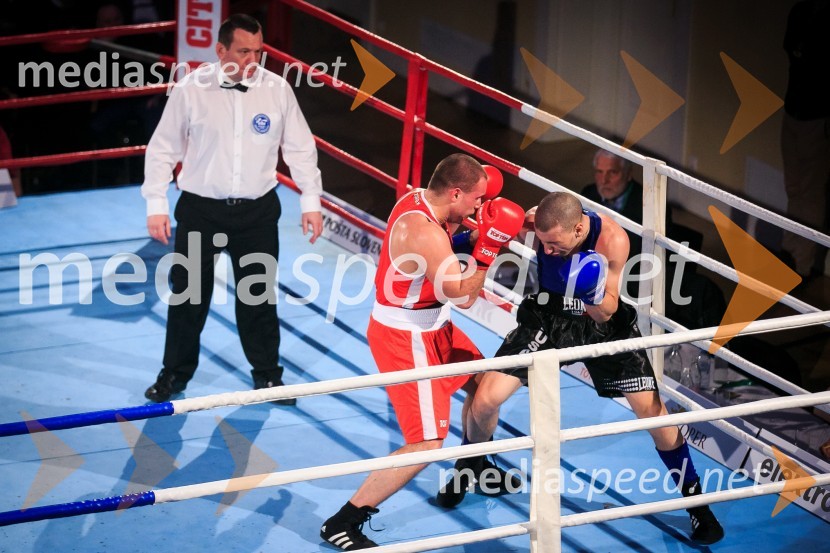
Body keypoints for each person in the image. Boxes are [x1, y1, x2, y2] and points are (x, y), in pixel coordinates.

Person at [436, 191, 725, 545]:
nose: (547, 251)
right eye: (543, 243)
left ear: (577, 230)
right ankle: (471, 467)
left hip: (602, 324)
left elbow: (606, 311)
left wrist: (589, 290)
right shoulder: (538, 221)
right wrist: (453, 242)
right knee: (484, 401)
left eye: (554, 245)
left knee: (655, 416)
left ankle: (697, 505)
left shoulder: (612, 239)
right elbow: (491, 233)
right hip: (549, 318)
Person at [319, 154, 525, 550]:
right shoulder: (424, 232)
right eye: (477, 199)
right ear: (455, 193)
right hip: (407, 337)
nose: (480, 207)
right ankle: (343, 521)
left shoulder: (419, 199)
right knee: (427, 441)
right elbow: (464, 296)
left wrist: (478, 234)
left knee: (485, 390)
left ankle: (474, 466)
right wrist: (489, 247)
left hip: (433, 325)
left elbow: (446, 247)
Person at [141, 14, 323, 405]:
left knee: (258, 297)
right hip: (201, 212)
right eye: (243, 52)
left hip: (257, 213)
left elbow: (300, 148)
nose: (252, 60)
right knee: (189, 296)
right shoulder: (191, 89)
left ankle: (268, 376)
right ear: (220, 50)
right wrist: (156, 203)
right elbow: (162, 149)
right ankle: (173, 374)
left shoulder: (276, 89)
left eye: (258, 51)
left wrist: (311, 200)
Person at [780, 0, 830, 280]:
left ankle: (802, 265)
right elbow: (791, 48)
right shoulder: (801, 11)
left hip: (817, 115)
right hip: (793, 109)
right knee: (794, 188)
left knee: (810, 193)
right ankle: (789, 253)